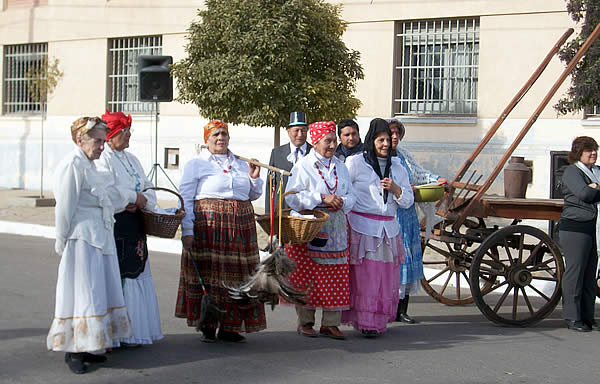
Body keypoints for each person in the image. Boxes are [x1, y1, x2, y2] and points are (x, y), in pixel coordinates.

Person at [47, 117, 131, 374]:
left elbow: (106, 199)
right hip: (81, 240)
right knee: (82, 293)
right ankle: (73, 349)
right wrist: (61, 239)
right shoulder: (72, 165)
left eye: (103, 141)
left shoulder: (92, 166)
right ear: (79, 139)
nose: (101, 146)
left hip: (99, 238)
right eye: (96, 141)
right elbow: (65, 206)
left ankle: (89, 345)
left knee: (97, 292)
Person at [176, 120, 266, 343]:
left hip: (240, 228)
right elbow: (185, 197)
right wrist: (187, 229)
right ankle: (208, 324)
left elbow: (252, 195)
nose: (220, 138)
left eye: (224, 134)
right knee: (211, 276)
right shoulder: (196, 164)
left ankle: (230, 326)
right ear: (206, 140)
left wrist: (254, 177)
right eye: (215, 134)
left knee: (239, 277)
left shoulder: (240, 163)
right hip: (209, 227)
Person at [96, 110, 163, 346]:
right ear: (111, 135)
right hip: (117, 225)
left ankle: (135, 330)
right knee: (121, 275)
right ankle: (118, 333)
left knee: (137, 271)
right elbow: (106, 192)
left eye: (129, 131)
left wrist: (144, 199)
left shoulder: (132, 158)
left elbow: (148, 186)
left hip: (136, 225)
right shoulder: (103, 159)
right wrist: (130, 198)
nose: (128, 136)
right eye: (124, 132)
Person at [342, 118, 414, 337]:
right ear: (371, 141)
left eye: (388, 140)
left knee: (383, 278)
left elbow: (408, 200)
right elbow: (346, 192)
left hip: (388, 231)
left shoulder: (398, 167)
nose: (385, 144)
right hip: (363, 228)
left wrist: (396, 189)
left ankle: (378, 320)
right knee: (365, 278)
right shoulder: (355, 163)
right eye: (380, 140)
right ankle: (366, 321)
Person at [284, 121, 356, 340]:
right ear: (315, 142)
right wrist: (321, 197)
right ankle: (305, 322)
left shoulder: (341, 166)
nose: (333, 145)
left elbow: (352, 196)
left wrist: (342, 202)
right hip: (311, 226)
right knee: (309, 276)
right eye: (328, 140)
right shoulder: (303, 166)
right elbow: (293, 196)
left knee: (335, 276)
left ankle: (330, 323)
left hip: (336, 228)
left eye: (334, 140)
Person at [387, 118, 447, 323]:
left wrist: (436, 179)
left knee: (408, 257)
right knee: (391, 262)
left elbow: (419, 174)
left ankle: (402, 310)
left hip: (407, 216)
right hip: (390, 216)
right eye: (390, 133)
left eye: (397, 133)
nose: (394, 137)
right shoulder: (376, 158)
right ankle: (387, 308)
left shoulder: (404, 155)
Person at [559, 136, 600, 332]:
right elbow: (584, 194)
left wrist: (595, 187)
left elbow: (591, 193)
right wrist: (593, 188)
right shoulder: (571, 171)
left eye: (595, 149)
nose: (593, 153)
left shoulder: (597, 172)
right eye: (588, 150)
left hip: (594, 228)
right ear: (578, 153)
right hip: (576, 228)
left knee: (590, 275)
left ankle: (587, 316)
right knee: (575, 274)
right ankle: (572, 317)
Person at [265, 111, 312, 214]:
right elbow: (270, 184)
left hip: (307, 211)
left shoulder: (314, 153)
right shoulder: (277, 153)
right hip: (282, 210)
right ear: (288, 131)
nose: (300, 134)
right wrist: (269, 214)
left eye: (303, 130)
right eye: (296, 130)